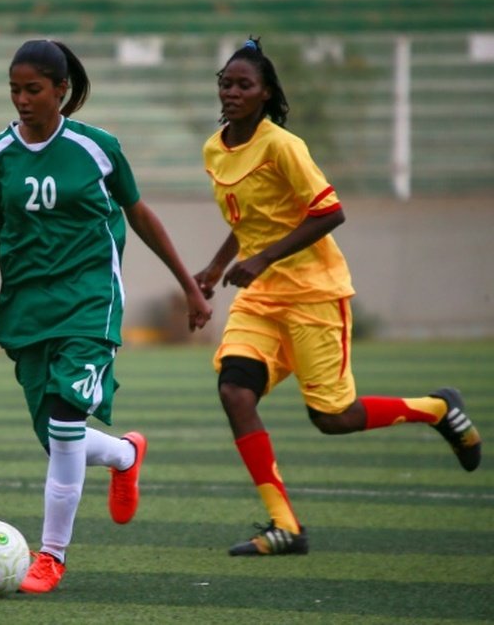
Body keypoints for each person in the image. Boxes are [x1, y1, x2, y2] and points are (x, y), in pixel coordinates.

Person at [194, 37, 483, 557]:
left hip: (312, 294)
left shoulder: (284, 145)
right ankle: (285, 526)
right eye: (226, 83)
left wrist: (263, 259)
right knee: (235, 392)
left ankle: (437, 409)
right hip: (262, 300)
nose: (232, 92)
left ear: (265, 94)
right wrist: (216, 267)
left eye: (244, 85)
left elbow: (330, 213)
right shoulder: (215, 148)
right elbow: (249, 221)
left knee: (333, 417)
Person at [0, 39, 212, 594]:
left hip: (90, 301)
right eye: (14, 89)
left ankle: (51, 557)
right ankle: (123, 453)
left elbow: (139, 214)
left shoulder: (97, 147)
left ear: (61, 90)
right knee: (57, 439)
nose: (21, 99)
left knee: (66, 424)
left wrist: (189, 285)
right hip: (27, 309)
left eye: (33, 89)